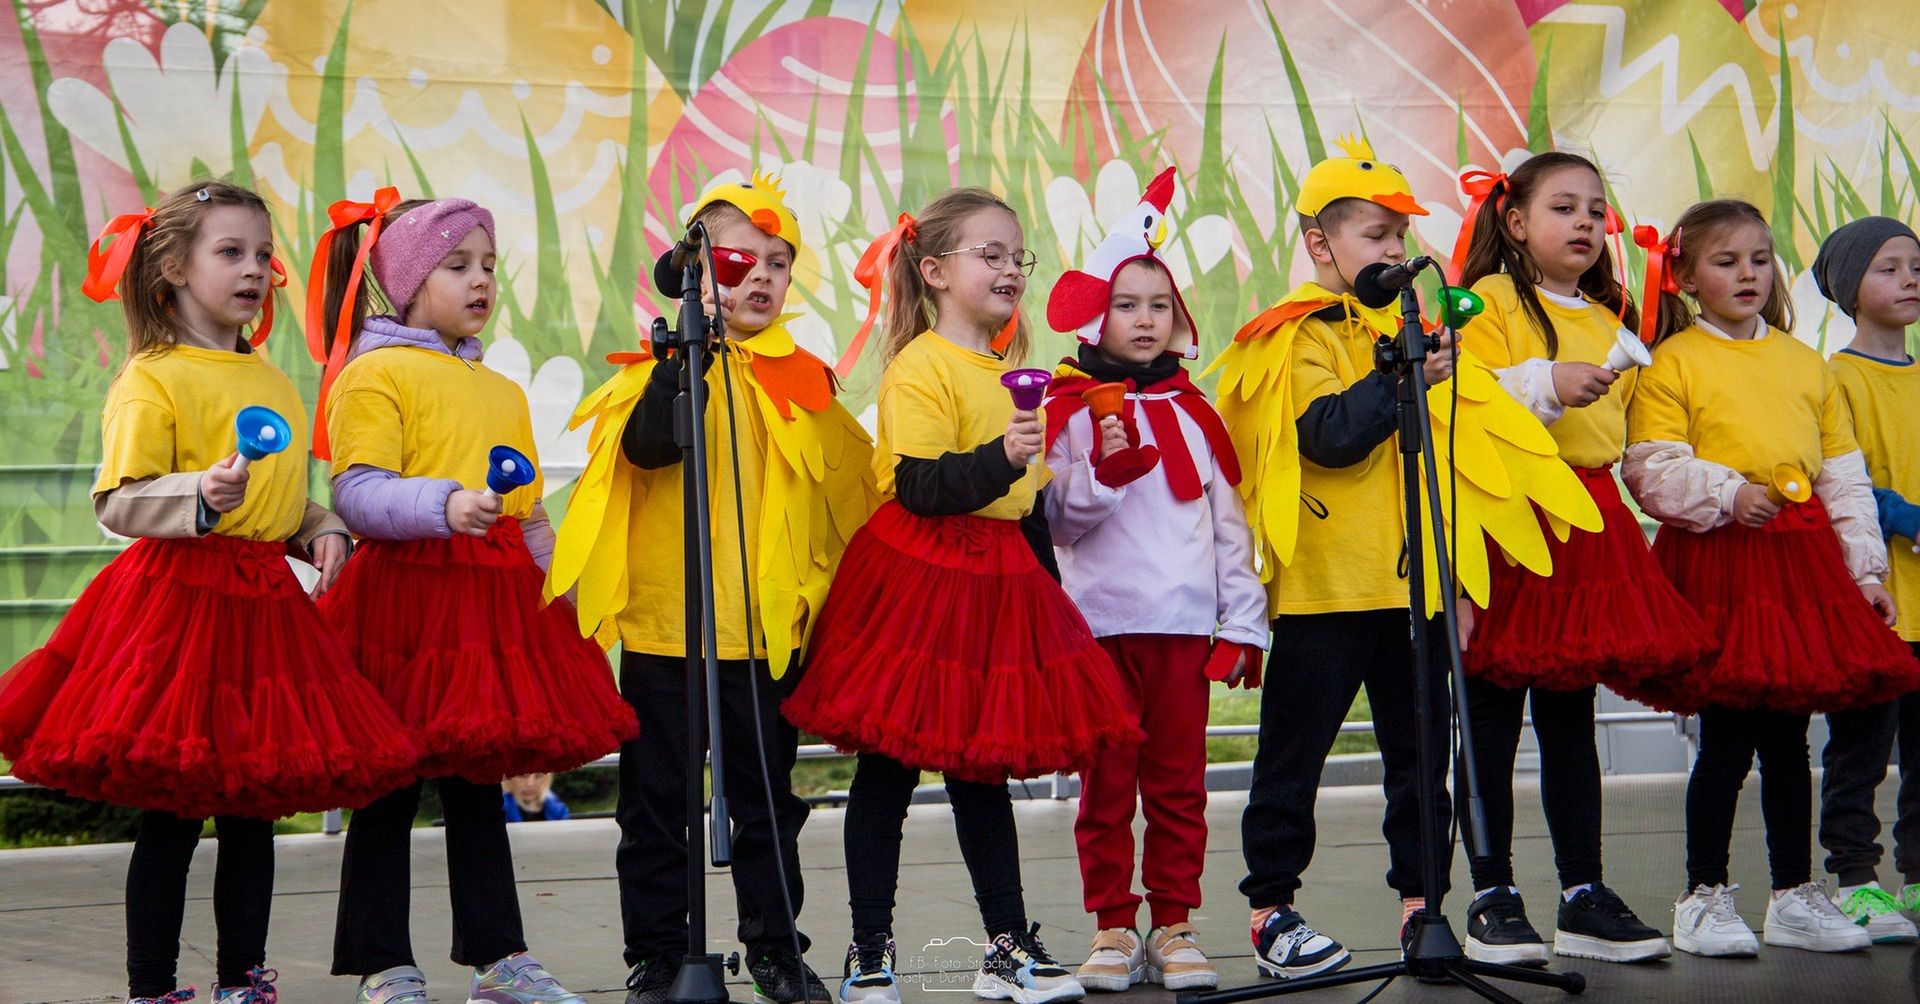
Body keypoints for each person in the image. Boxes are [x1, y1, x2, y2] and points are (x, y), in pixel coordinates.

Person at [0, 181, 419, 1003]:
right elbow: (118, 499)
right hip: (179, 609)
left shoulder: (268, 379)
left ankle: (241, 978)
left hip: (263, 610)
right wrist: (199, 494)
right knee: (175, 811)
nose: (255, 269)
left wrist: (318, 523)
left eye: (264, 255)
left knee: (253, 807)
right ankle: (151, 985)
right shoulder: (151, 378)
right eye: (230, 252)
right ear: (172, 268)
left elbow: (277, 496)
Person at [1208, 135, 1600, 982]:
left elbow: (1458, 460)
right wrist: (1400, 375)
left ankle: (1425, 911)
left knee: (1422, 764)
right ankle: (1272, 909)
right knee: (1292, 758)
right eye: (1375, 236)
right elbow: (1329, 438)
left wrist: (1458, 573)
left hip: (1416, 584)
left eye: (1400, 237)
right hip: (1324, 592)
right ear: (1320, 245)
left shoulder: (1417, 335)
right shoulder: (1295, 336)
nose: (1394, 252)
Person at [783, 187, 1143, 1004]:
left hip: (999, 580)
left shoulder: (1022, 374)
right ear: (936, 270)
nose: (1012, 269)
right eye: (992, 254)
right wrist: (1001, 456)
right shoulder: (919, 365)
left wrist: (1050, 594)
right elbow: (918, 485)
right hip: (921, 582)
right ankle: (869, 951)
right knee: (890, 770)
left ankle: (1007, 949)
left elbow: (1031, 510)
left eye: (1020, 256)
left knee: (984, 772)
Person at [549, 171, 877, 1004]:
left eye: (778, 262)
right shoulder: (657, 368)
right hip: (666, 634)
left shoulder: (805, 383)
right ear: (691, 270)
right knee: (654, 809)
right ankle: (658, 952)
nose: (761, 277)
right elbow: (650, 449)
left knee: (769, 805)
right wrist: (676, 358)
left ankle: (774, 947)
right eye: (736, 262)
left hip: (762, 638)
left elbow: (848, 505)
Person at [310, 192, 635, 1003]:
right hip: (403, 606)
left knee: (477, 788)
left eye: (489, 265)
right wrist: (445, 505)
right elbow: (356, 492)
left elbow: (525, 508)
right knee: (387, 790)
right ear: (407, 279)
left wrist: (557, 590)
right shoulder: (373, 372)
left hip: (488, 613)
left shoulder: (501, 390)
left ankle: (501, 959)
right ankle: (383, 963)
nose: (481, 279)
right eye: (458, 265)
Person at [1622, 198, 1919, 958]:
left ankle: (1793, 894)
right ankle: (1703, 895)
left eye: (1759, 258)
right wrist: (1729, 492)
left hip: (1799, 566)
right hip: (1723, 561)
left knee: (1790, 739)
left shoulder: (1802, 363)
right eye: (1726, 261)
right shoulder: (1673, 363)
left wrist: (1864, 573)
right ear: (1685, 276)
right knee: (1725, 739)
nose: (1748, 273)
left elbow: (1843, 480)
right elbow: (1650, 468)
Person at [1448, 152, 1708, 965]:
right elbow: (1462, 389)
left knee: (1569, 719)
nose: (1587, 224)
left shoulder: (1612, 320)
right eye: (1565, 208)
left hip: (1590, 523)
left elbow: (1632, 442)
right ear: (1516, 222)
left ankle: (1581, 893)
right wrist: (1547, 380)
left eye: (1597, 210)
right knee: (1489, 715)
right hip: (1508, 515)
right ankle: (1491, 893)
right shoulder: (1485, 302)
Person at [1039, 167, 1265, 993]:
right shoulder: (1067, 408)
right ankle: (1110, 927)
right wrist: (1105, 466)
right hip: (1097, 629)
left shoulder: (1197, 413)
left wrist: (1243, 622)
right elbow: (1061, 523)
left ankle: (1172, 922)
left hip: (1180, 631)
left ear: (1178, 320)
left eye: (1157, 305)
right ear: (1097, 312)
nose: (1143, 318)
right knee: (1104, 791)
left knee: (1178, 787)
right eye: (1126, 303)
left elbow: (1228, 530)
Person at [1810, 215, 1920, 943]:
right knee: (1859, 749)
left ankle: (1915, 878)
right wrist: (1909, 519)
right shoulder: (1835, 378)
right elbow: (1840, 477)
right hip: (1874, 600)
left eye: (1915, 264)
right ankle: (1855, 878)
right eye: (1888, 267)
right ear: (1850, 287)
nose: (1909, 277)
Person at [502, 774, 570, 822]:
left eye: (538, 776)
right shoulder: (499, 811)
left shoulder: (558, 811)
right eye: (523, 776)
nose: (530, 783)